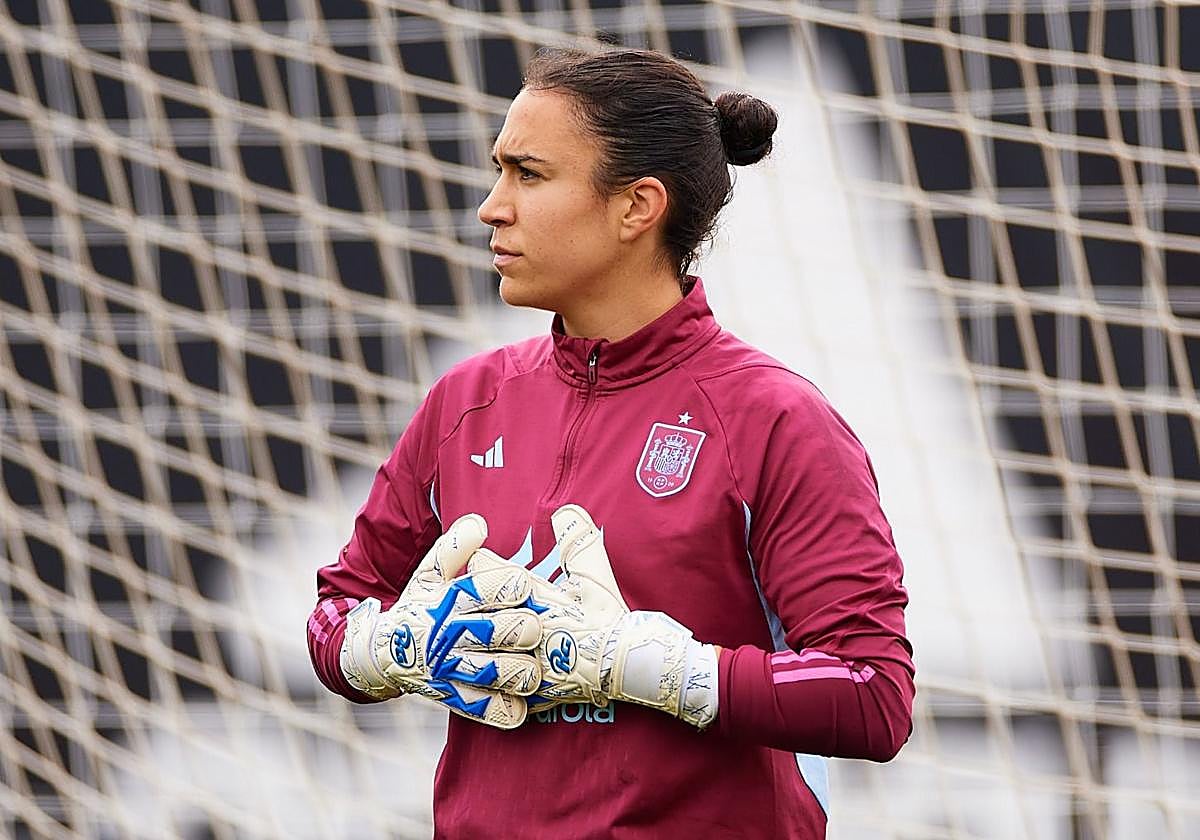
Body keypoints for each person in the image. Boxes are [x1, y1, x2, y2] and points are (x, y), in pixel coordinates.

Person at [307, 47, 915, 839]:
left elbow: (872, 696)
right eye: (499, 172)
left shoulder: (774, 420)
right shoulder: (467, 403)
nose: (492, 207)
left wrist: (649, 668)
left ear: (637, 206)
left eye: (528, 174)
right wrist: (387, 647)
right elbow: (337, 608)